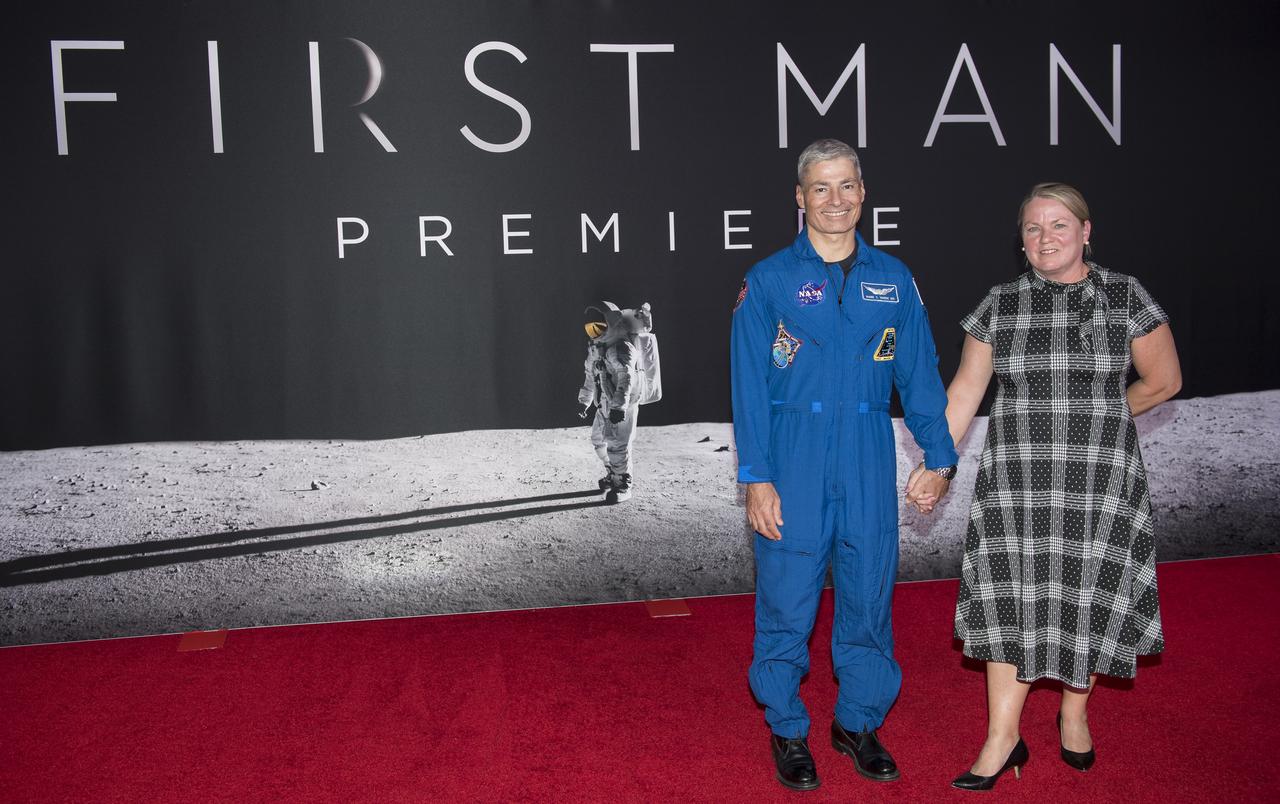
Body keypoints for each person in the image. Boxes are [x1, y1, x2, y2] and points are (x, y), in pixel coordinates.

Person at [908, 182, 1182, 790]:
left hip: (1100, 479)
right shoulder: (998, 304)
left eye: (1059, 225)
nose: (1045, 238)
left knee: (1084, 593)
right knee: (1010, 603)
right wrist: (938, 463)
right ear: (1021, 241)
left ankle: (1073, 713)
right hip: (1016, 482)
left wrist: (1099, 418)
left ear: (1087, 232)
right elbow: (964, 393)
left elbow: (1163, 380)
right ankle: (1002, 738)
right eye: (1033, 229)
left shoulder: (1124, 295)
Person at [730, 138, 958, 791]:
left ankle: (857, 722)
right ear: (799, 199)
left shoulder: (894, 280)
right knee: (788, 601)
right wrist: (756, 477)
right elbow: (748, 388)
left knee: (867, 597)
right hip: (792, 460)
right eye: (821, 188)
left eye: (847, 186)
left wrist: (938, 458)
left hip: (865, 456)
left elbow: (920, 379)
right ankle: (788, 729)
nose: (836, 200)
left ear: (863, 192)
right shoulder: (768, 281)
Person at [578, 301, 659, 503]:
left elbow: (627, 380)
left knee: (617, 444)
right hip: (605, 402)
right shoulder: (597, 349)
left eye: (599, 327)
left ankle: (623, 483)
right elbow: (590, 376)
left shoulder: (622, 348)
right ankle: (612, 472)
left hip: (623, 405)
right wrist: (584, 401)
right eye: (590, 329)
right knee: (598, 440)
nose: (594, 333)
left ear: (612, 323)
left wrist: (619, 407)